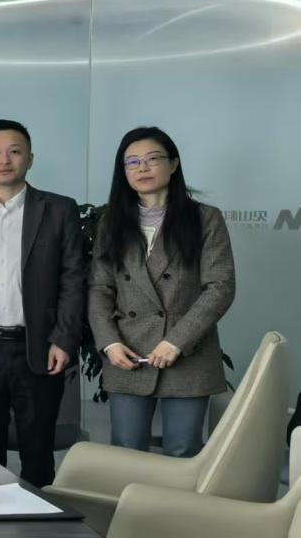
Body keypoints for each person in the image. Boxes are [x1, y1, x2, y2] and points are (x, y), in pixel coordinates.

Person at [0, 119, 85, 487]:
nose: (4, 160)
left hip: (38, 346)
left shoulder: (58, 209)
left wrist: (64, 339)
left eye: (14, 152)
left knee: (37, 452)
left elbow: (74, 278)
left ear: (30, 158)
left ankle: (39, 516)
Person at [88, 126, 234, 458]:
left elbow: (220, 287)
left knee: (183, 451)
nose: (142, 168)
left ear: (174, 164)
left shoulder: (204, 219)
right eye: (132, 162)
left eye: (152, 159)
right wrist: (109, 342)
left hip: (187, 354)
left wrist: (176, 341)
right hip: (127, 353)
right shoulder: (111, 222)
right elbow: (99, 288)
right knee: (126, 452)